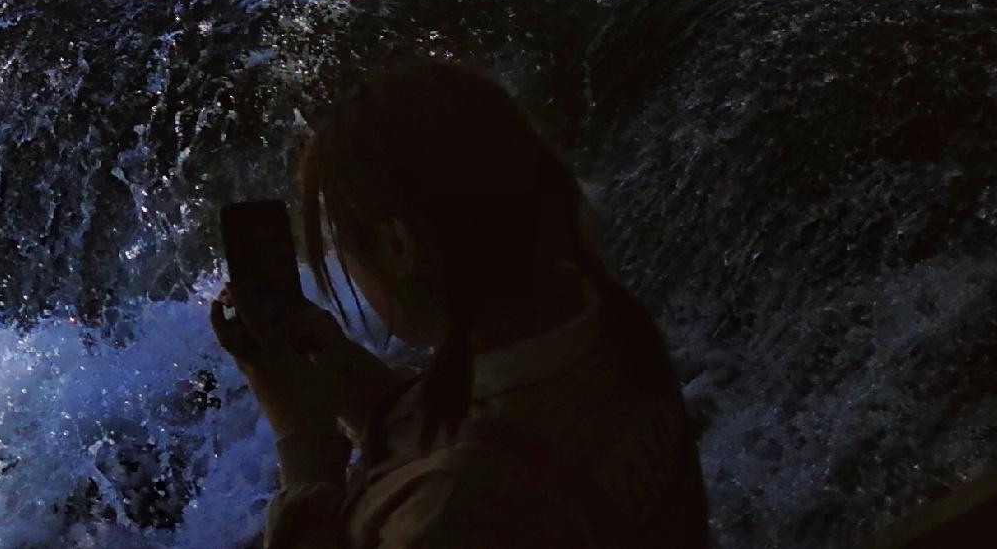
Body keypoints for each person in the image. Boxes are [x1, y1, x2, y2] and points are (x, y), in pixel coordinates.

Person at [209, 60, 710, 548]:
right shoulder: (605, 323)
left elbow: (488, 474)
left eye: (342, 244)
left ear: (398, 247)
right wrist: (367, 394)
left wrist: (306, 455)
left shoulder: (455, 505)